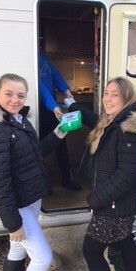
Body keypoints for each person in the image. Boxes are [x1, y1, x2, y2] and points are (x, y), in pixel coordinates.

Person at [0, 73, 67, 271]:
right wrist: (13, 223)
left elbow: (36, 152)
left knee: (18, 248)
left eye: (21, 95)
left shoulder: (19, 120)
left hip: (31, 198)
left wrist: (59, 133)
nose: (15, 100)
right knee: (42, 258)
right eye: (9, 94)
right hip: (19, 205)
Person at [64, 76, 136, 271]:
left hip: (114, 205)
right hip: (121, 202)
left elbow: (127, 174)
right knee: (125, 242)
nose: (107, 98)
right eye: (106, 93)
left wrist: (95, 199)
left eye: (114, 95)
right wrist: (72, 105)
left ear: (126, 99)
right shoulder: (114, 122)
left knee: (91, 251)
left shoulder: (128, 131)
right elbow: (93, 119)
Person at [38, 50, 82, 191]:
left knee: (61, 144)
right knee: (39, 148)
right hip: (40, 110)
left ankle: (67, 179)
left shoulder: (42, 55)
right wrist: (53, 106)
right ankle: (41, 183)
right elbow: (40, 88)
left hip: (52, 109)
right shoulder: (28, 54)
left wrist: (66, 90)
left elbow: (54, 74)